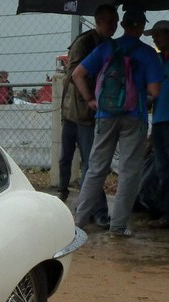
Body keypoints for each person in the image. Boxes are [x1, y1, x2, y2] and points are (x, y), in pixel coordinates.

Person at [72, 9, 161, 237]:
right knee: (128, 172)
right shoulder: (148, 53)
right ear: (142, 26)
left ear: (122, 24)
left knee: (96, 169)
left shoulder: (106, 48)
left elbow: (77, 74)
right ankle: (118, 227)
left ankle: (78, 222)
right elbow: (155, 91)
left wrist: (90, 99)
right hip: (135, 117)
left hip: (105, 115)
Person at [58, 3, 118, 209]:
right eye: (110, 22)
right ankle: (64, 192)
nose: (114, 26)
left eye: (116, 22)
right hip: (75, 110)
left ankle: (86, 205)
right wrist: (93, 86)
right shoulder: (84, 43)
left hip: (89, 112)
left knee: (89, 161)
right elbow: (74, 74)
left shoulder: (111, 45)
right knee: (68, 157)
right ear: (98, 21)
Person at [144, 20, 169, 229]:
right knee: (162, 169)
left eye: (158, 35)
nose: (155, 38)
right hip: (160, 121)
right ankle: (164, 212)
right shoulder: (157, 61)